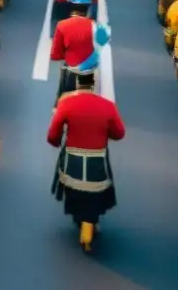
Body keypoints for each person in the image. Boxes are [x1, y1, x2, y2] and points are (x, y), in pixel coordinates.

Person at [47, 45, 125, 253]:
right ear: (94, 83)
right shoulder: (107, 106)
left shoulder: (66, 104)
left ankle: (81, 221)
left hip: (72, 160)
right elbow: (119, 133)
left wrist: (56, 143)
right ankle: (90, 225)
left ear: (77, 82)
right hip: (97, 160)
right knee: (97, 192)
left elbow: (53, 134)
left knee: (73, 190)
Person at [50, 2, 109, 104]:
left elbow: (55, 55)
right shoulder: (96, 26)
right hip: (89, 70)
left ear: (71, 12)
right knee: (88, 98)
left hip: (71, 69)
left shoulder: (62, 25)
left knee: (63, 98)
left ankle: (57, 109)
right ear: (86, 12)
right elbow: (103, 43)